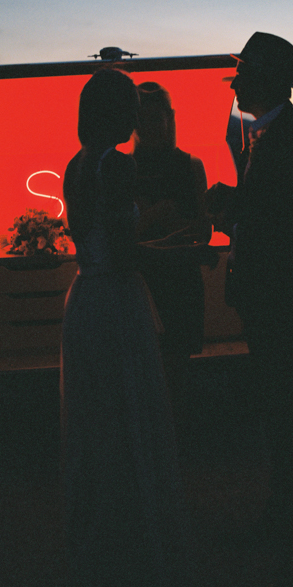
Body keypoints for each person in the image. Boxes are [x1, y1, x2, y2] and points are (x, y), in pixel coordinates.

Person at [60, 67, 213, 587]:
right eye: (130, 106)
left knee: (98, 422)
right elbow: (128, 254)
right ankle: (134, 550)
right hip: (119, 303)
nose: (137, 118)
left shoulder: (76, 165)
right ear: (116, 113)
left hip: (85, 300)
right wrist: (181, 254)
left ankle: (99, 542)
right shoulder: (117, 166)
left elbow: (100, 244)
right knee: (134, 419)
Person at [206, 32, 293, 587]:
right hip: (273, 298)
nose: (234, 83)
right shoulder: (271, 138)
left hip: (278, 299)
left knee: (285, 412)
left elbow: (283, 227)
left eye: (243, 75)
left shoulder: (289, 142)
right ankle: (287, 523)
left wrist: (227, 208)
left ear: (269, 82)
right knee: (281, 411)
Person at [132, 82, 212, 428]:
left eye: (157, 117)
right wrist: (157, 216)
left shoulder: (191, 165)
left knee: (177, 368)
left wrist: (166, 219)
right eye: (144, 118)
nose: (152, 125)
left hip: (178, 284)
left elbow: (204, 228)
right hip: (140, 284)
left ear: (170, 118)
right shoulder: (122, 169)